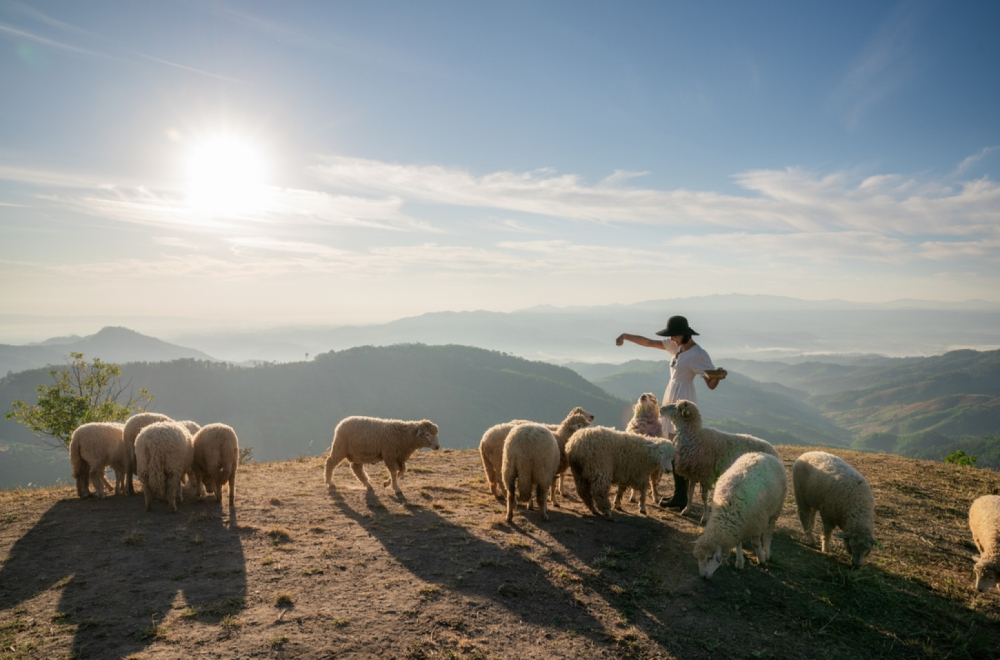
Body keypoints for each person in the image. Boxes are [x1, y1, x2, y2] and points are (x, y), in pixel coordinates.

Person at [615, 315, 722, 509]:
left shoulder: (698, 354)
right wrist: (625, 336)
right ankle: (679, 495)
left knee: (678, 449)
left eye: (674, 335)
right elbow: (648, 342)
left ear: (684, 334)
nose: (671, 338)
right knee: (674, 447)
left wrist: (718, 377)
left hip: (683, 399)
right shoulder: (677, 347)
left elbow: (710, 383)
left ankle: (681, 497)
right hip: (671, 395)